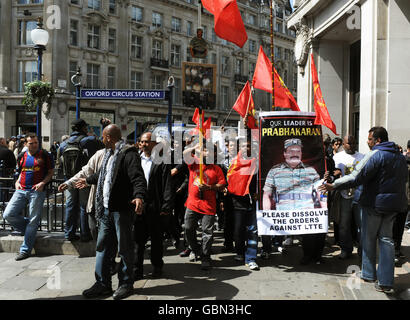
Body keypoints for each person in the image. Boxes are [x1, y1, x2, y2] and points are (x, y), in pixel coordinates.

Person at [320, 127, 408, 294]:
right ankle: (385, 282)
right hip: (393, 206)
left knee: (368, 237)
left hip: (374, 204)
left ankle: (368, 274)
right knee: (387, 240)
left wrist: (334, 185)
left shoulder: (375, 154)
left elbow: (355, 177)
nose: (367, 142)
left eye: (369, 139)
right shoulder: (399, 156)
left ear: (378, 140)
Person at [79, 124, 146, 300]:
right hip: (107, 209)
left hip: (122, 210)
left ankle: (125, 284)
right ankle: (102, 284)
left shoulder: (128, 154)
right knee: (102, 246)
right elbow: (104, 175)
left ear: (109, 137)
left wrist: (139, 196)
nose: (102, 139)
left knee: (124, 248)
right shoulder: (109, 154)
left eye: (103, 136)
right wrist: (87, 180)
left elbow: (138, 177)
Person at [261, 138, 321, 259]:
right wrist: (267, 214)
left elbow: (319, 194)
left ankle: (309, 257)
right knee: (266, 229)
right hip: (282, 215)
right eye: (291, 151)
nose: (294, 153)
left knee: (311, 242)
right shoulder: (274, 171)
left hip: (305, 213)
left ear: (301, 153)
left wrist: (320, 211)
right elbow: (266, 194)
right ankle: (267, 250)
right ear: (284, 153)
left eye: (297, 151)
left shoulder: (311, 171)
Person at [3, 133, 54, 261]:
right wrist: (16, 183)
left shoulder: (45, 155)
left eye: (36, 142)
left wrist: (43, 183)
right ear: (26, 144)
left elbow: (50, 173)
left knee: (33, 220)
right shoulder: (22, 156)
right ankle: (30, 228)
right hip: (21, 190)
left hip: (37, 191)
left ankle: (25, 250)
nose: (34, 145)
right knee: (8, 214)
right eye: (31, 143)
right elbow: (20, 172)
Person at [134, 131, 174, 280]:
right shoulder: (135, 160)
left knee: (156, 240)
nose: (144, 144)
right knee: (138, 240)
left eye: (147, 142)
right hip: (138, 207)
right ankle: (137, 269)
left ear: (154, 144)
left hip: (155, 207)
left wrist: (166, 207)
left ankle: (157, 266)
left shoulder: (162, 162)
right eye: (142, 142)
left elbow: (167, 185)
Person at [183, 141, 226, 270]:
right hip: (192, 204)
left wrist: (209, 187)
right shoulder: (194, 163)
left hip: (208, 206)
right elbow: (184, 154)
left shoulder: (216, 168)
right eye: (204, 150)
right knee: (188, 229)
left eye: (209, 151)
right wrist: (193, 147)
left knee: (207, 232)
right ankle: (196, 249)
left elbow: (222, 184)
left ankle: (206, 256)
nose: (206, 153)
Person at [59, 119, 104, 242]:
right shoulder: (89, 141)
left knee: (70, 205)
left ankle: (69, 234)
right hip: (84, 179)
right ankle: (85, 234)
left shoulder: (64, 144)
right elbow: (102, 148)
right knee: (84, 206)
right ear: (84, 128)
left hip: (69, 179)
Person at [228, 139, 259, 270]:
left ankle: (251, 258)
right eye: (243, 146)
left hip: (253, 202)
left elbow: (261, 180)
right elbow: (230, 180)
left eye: (248, 146)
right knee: (238, 231)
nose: (246, 148)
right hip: (238, 202)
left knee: (252, 232)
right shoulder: (234, 163)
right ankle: (240, 252)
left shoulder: (257, 163)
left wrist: (258, 192)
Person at [332, 135, 364, 259]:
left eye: (353, 143)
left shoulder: (362, 157)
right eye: (348, 143)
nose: (351, 145)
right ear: (343, 144)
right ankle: (346, 249)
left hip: (359, 196)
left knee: (361, 225)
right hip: (343, 195)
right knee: (344, 225)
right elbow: (332, 173)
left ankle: (363, 251)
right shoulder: (337, 157)